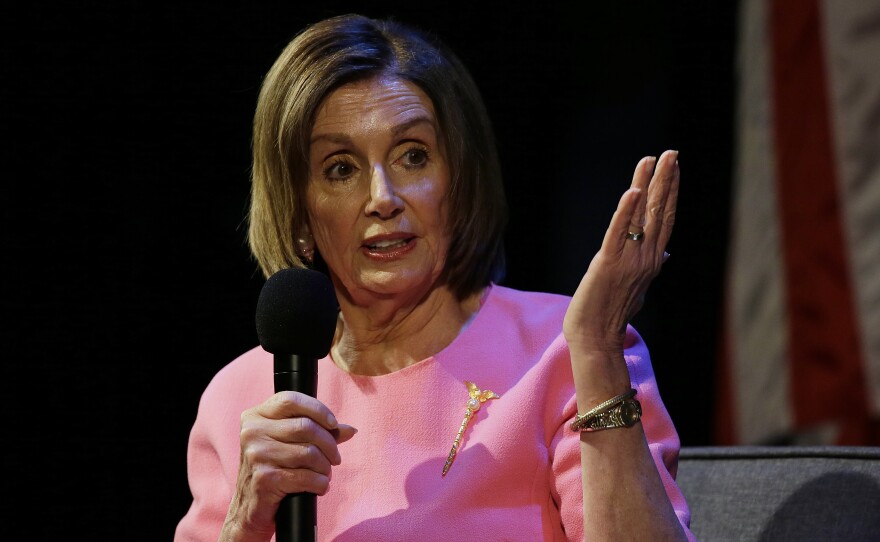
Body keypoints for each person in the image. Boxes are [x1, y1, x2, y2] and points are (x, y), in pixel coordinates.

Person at [175, 13, 694, 542]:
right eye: (340, 168)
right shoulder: (239, 397)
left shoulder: (570, 350)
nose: (383, 198)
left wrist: (599, 357)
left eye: (412, 156)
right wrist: (241, 526)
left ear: (459, 180)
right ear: (299, 214)